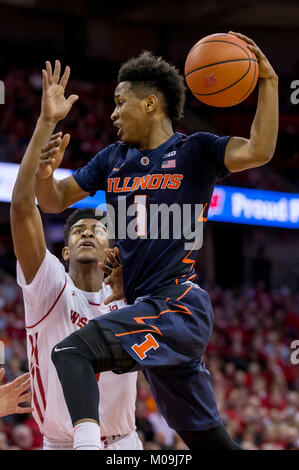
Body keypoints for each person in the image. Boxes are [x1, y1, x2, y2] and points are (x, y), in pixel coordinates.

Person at [34, 32, 278, 450]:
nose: (112, 114)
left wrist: (269, 85)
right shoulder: (113, 159)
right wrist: (43, 170)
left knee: (70, 353)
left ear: (150, 103)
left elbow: (259, 150)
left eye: (120, 102)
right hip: (147, 306)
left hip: (178, 306)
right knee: (208, 442)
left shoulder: (196, 151)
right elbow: (53, 200)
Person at [10, 130, 143, 450]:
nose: (87, 234)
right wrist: (44, 124)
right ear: (65, 251)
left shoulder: (130, 297)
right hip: (62, 443)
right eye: (78, 231)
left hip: (123, 441)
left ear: (110, 248)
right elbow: (22, 209)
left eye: (97, 231)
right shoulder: (50, 284)